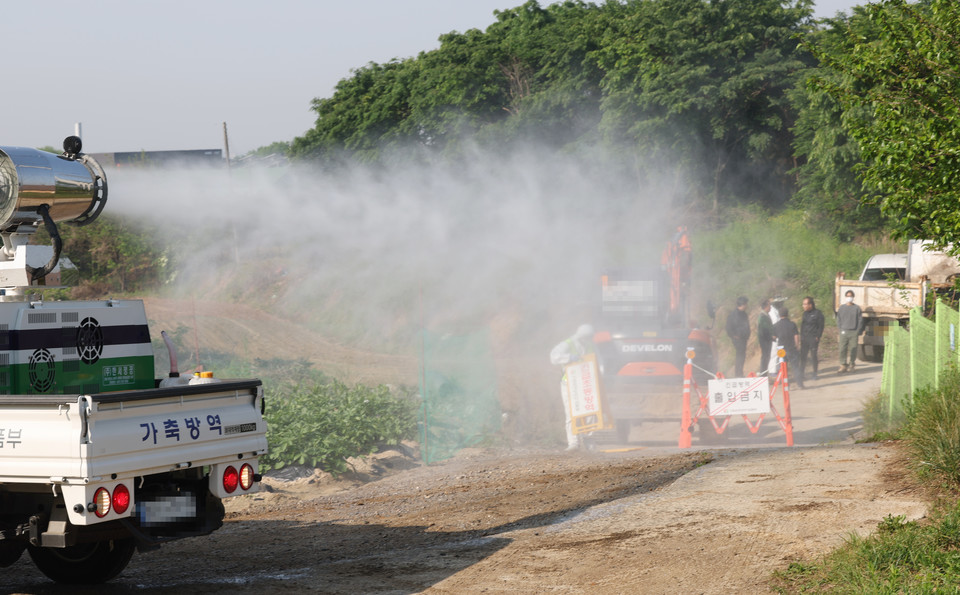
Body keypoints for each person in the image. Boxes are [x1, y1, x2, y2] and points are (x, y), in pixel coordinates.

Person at [549, 324, 595, 451]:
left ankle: (589, 442)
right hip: (569, 382)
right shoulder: (567, 344)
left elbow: (598, 361)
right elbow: (553, 357)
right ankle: (573, 443)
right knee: (571, 413)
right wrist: (569, 357)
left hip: (586, 383)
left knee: (590, 412)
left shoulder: (590, 345)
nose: (588, 339)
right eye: (586, 337)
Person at [772, 306, 804, 388]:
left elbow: (774, 337)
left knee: (783, 368)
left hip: (781, 350)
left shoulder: (776, 325)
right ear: (787, 314)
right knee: (795, 367)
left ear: (779, 315)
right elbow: (796, 336)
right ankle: (800, 384)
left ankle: (786, 385)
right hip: (791, 348)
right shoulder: (792, 324)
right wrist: (797, 345)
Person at [836, 289, 864, 373]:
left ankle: (852, 365)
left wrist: (858, 330)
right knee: (842, 349)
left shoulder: (857, 308)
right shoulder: (842, 308)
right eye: (848, 296)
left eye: (851, 296)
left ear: (853, 297)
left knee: (853, 349)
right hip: (844, 331)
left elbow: (860, 320)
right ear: (845, 297)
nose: (849, 297)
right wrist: (840, 328)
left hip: (853, 331)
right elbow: (838, 319)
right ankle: (843, 365)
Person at [800, 296, 825, 381]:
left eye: (805, 304)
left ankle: (815, 373)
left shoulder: (818, 313)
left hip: (813, 338)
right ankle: (801, 374)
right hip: (804, 339)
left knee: (813, 356)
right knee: (803, 356)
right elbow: (802, 326)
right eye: (803, 304)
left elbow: (821, 326)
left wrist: (818, 336)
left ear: (810, 304)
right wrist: (801, 336)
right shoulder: (804, 314)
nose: (804, 306)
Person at [725, 296, 750, 377]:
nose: (747, 306)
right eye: (746, 304)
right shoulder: (733, 315)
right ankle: (738, 374)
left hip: (744, 338)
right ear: (743, 304)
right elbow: (728, 328)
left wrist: (747, 334)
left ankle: (740, 373)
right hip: (737, 339)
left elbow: (746, 326)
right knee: (739, 355)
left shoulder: (744, 314)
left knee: (742, 355)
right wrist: (734, 336)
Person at [757, 299, 774, 375]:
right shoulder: (763, 316)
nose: (770, 307)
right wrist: (771, 336)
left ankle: (764, 374)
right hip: (765, 340)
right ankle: (763, 375)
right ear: (766, 307)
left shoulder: (766, 315)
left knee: (766, 357)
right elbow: (764, 329)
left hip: (767, 340)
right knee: (765, 357)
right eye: (769, 305)